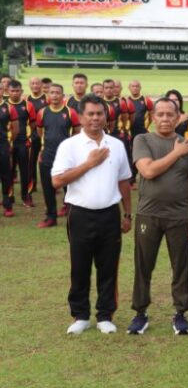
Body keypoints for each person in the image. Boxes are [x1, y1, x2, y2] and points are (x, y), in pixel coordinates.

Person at [51, 94, 132, 335]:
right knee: (80, 266)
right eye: (91, 114)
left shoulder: (116, 145)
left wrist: (127, 214)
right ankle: (81, 315)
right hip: (80, 214)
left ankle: (105, 315)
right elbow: (57, 180)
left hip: (109, 214)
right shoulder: (70, 145)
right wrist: (89, 163)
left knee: (108, 266)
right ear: (80, 116)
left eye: (100, 114)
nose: (96, 119)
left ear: (106, 116)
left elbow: (124, 181)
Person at [126, 98, 188, 335]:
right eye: (160, 114)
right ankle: (140, 313)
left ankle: (180, 314)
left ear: (178, 116)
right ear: (153, 116)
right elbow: (148, 171)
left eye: (171, 114)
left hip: (179, 216)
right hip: (148, 215)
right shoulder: (143, 140)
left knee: (181, 266)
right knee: (143, 265)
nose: (165, 119)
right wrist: (175, 152)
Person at [36, 84, 80, 228]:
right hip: (47, 155)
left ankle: (72, 213)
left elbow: (77, 132)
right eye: (52, 93)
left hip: (66, 157)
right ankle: (51, 216)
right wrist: (42, 149)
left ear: (63, 95)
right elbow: (40, 132)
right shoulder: (42, 112)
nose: (54, 95)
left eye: (57, 93)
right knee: (48, 187)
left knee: (70, 186)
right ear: (48, 95)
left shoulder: (70, 112)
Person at [7, 80, 36, 209]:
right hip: (7, 143)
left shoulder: (28, 105)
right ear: (8, 91)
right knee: (8, 171)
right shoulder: (4, 106)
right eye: (12, 91)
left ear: (21, 91)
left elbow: (33, 124)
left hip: (23, 143)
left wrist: (29, 137)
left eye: (17, 91)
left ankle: (26, 196)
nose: (14, 93)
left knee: (26, 171)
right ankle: (9, 196)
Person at [26, 77, 47, 194]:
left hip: (46, 135)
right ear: (29, 85)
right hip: (32, 136)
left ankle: (51, 183)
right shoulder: (27, 99)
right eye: (32, 83)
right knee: (31, 161)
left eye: (37, 83)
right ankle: (32, 184)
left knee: (46, 162)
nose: (35, 85)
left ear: (41, 85)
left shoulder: (47, 98)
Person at [0, 94, 19, 216]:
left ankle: (7, 204)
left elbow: (15, 128)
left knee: (6, 175)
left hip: (2, 144)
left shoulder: (9, 107)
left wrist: (9, 141)